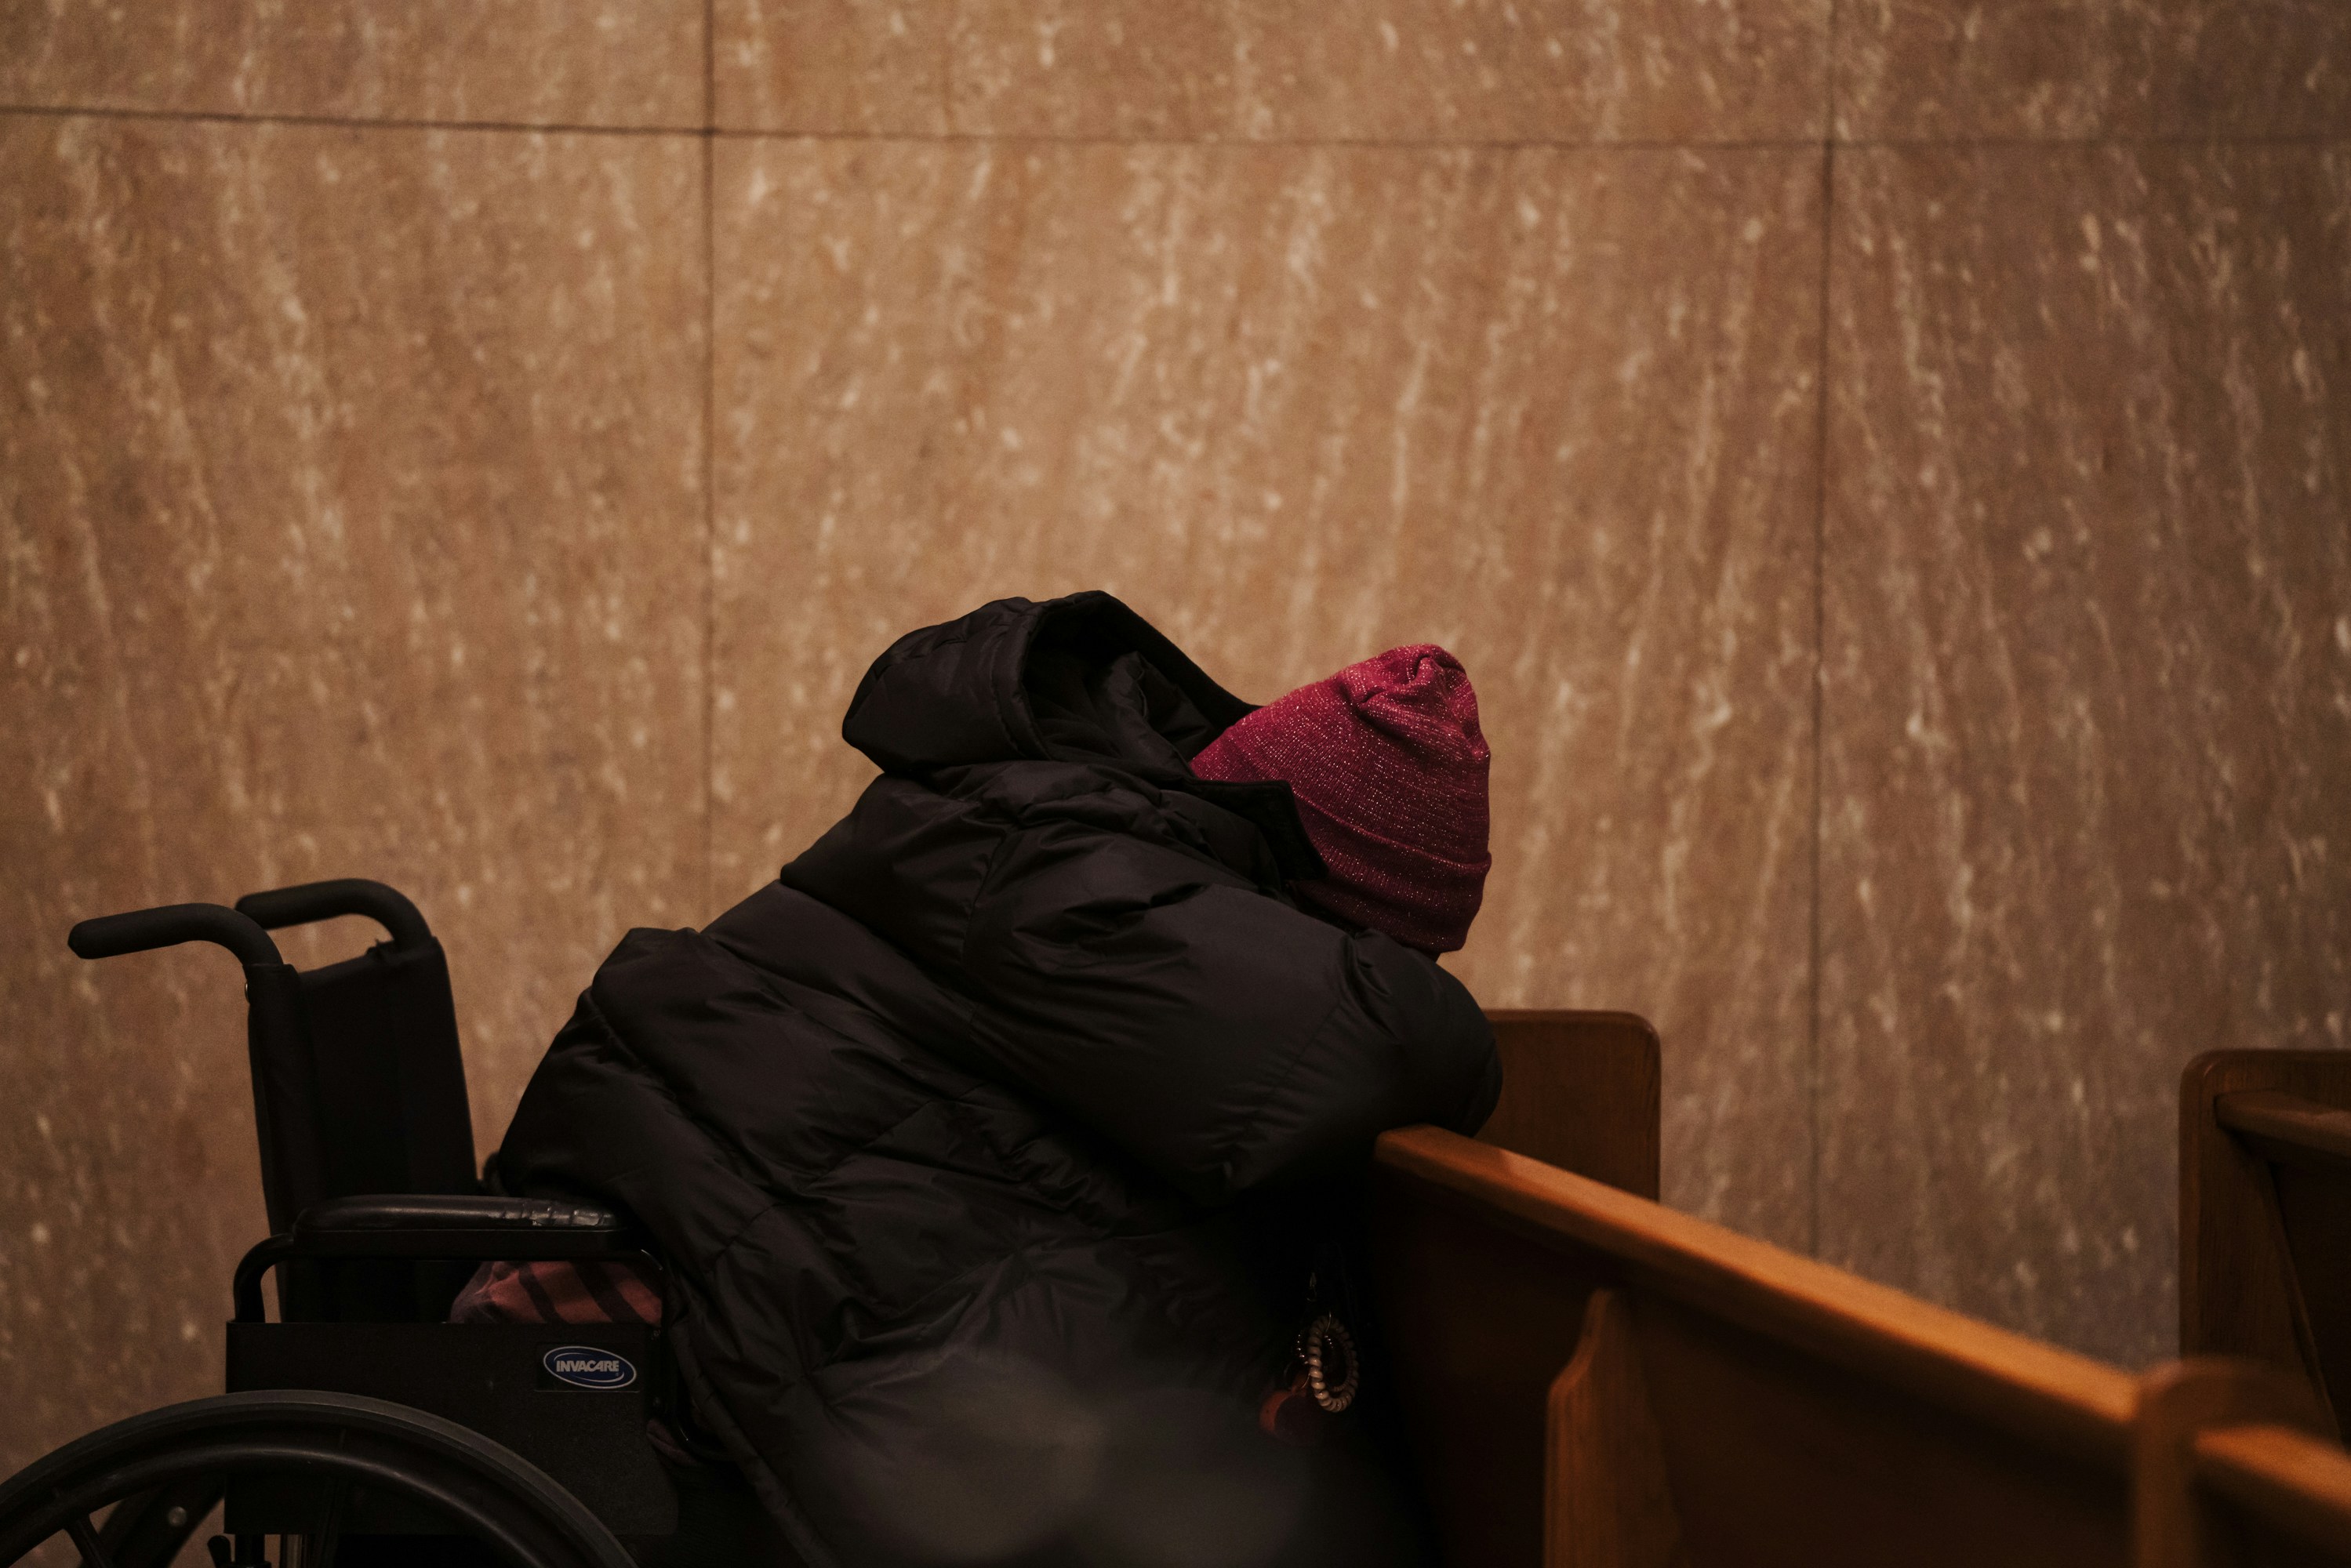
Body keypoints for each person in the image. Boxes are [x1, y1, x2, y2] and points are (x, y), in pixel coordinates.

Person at [472, 591, 1501, 1567]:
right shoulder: (1098, 887)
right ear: (1320, 896)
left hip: (706, 1242)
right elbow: (1390, 1045)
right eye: (1400, 949)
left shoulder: (1054, 818)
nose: (1406, 976)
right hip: (699, 1345)